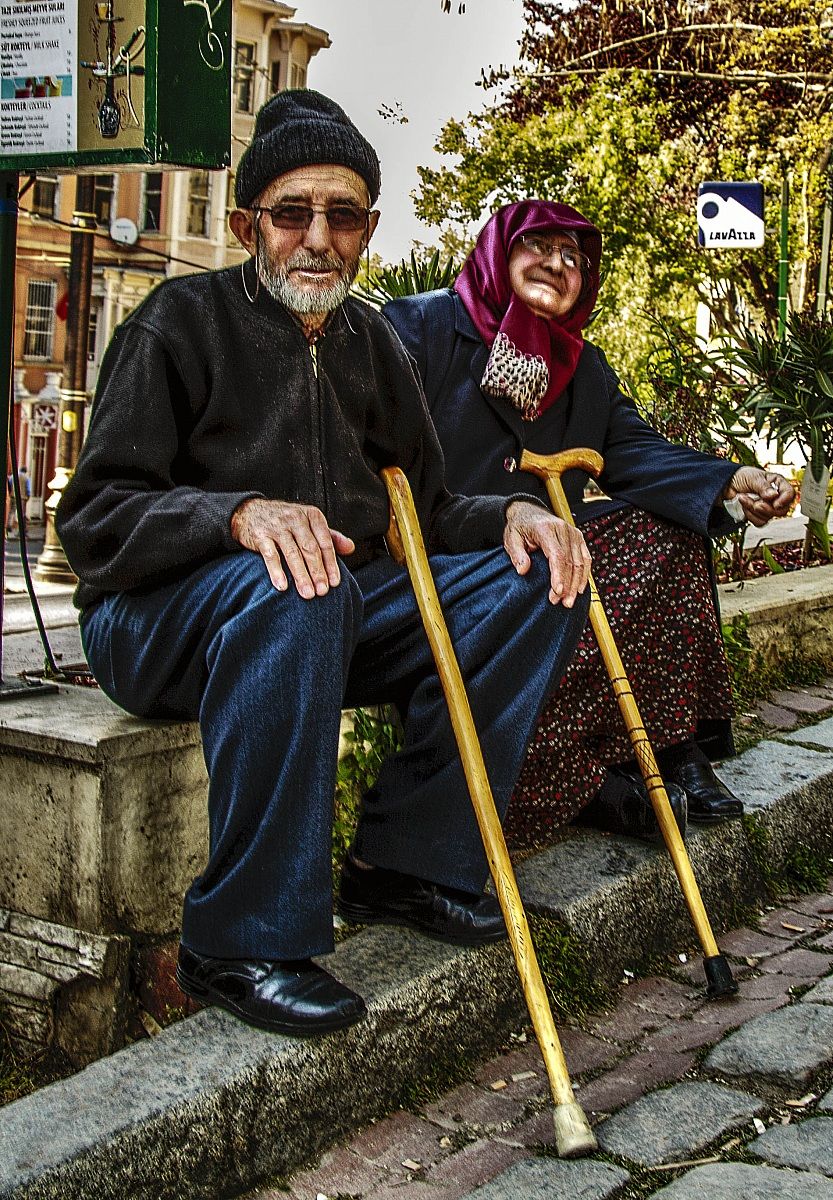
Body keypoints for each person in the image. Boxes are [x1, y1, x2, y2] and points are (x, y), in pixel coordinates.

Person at [55, 97, 591, 1039]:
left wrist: (512, 513)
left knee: (527, 584)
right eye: (291, 213)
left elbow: (423, 515)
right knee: (298, 578)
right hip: (160, 624)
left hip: (323, 614)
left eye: (342, 216)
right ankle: (239, 939)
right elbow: (97, 521)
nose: (317, 238)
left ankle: (408, 867)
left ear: (368, 231)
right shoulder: (178, 322)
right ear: (245, 225)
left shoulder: (369, 341)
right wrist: (234, 517)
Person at [383, 200, 795, 850]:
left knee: (662, 527)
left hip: (548, 574)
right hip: (448, 569)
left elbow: (637, 454)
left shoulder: (582, 368)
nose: (556, 264)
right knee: (563, 564)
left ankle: (665, 744)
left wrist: (731, 479)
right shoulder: (419, 326)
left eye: (573, 258)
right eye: (537, 247)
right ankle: (608, 777)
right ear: (497, 250)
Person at [6, 467, 30, 537]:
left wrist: (11, 493)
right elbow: (28, 489)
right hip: (22, 497)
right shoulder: (26, 478)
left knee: (12, 511)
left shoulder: (12, 476)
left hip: (13, 496)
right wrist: (28, 496)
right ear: (25, 471)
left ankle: (9, 526)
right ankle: (21, 530)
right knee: (21, 514)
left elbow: (9, 485)